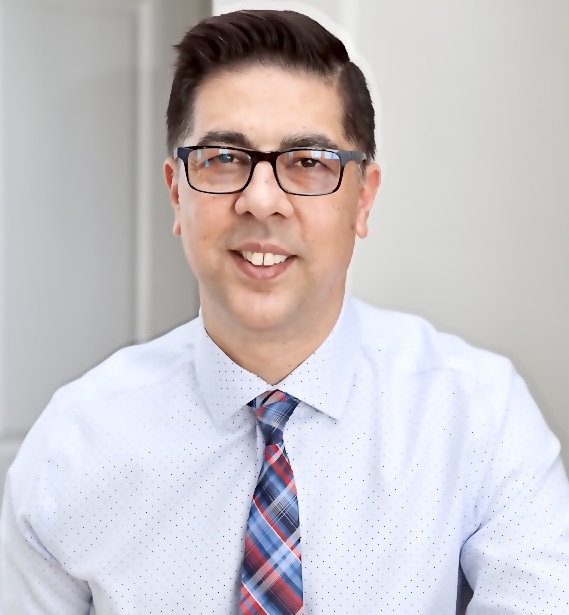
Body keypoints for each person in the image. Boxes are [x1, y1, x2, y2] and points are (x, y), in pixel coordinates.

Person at [1, 8, 568, 615]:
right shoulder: (74, 445)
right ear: (176, 192)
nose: (261, 201)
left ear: (363, 199)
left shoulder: (479, 417)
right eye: (222, 158)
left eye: (308, 163)